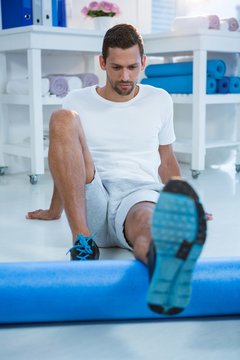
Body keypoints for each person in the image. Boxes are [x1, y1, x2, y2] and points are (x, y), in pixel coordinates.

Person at [26, 24, 208, 316]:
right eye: (116, 67)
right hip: (91, 196)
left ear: (144, 62)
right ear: (102, 63)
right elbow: (66, 163)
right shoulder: (77, 100)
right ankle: (83, 243)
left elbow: (167, 159)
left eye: (133, 67)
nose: (125, 76)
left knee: (148, 223)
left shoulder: (160, 99)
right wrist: (54, 209)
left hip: (138, 194)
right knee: (61, 119)